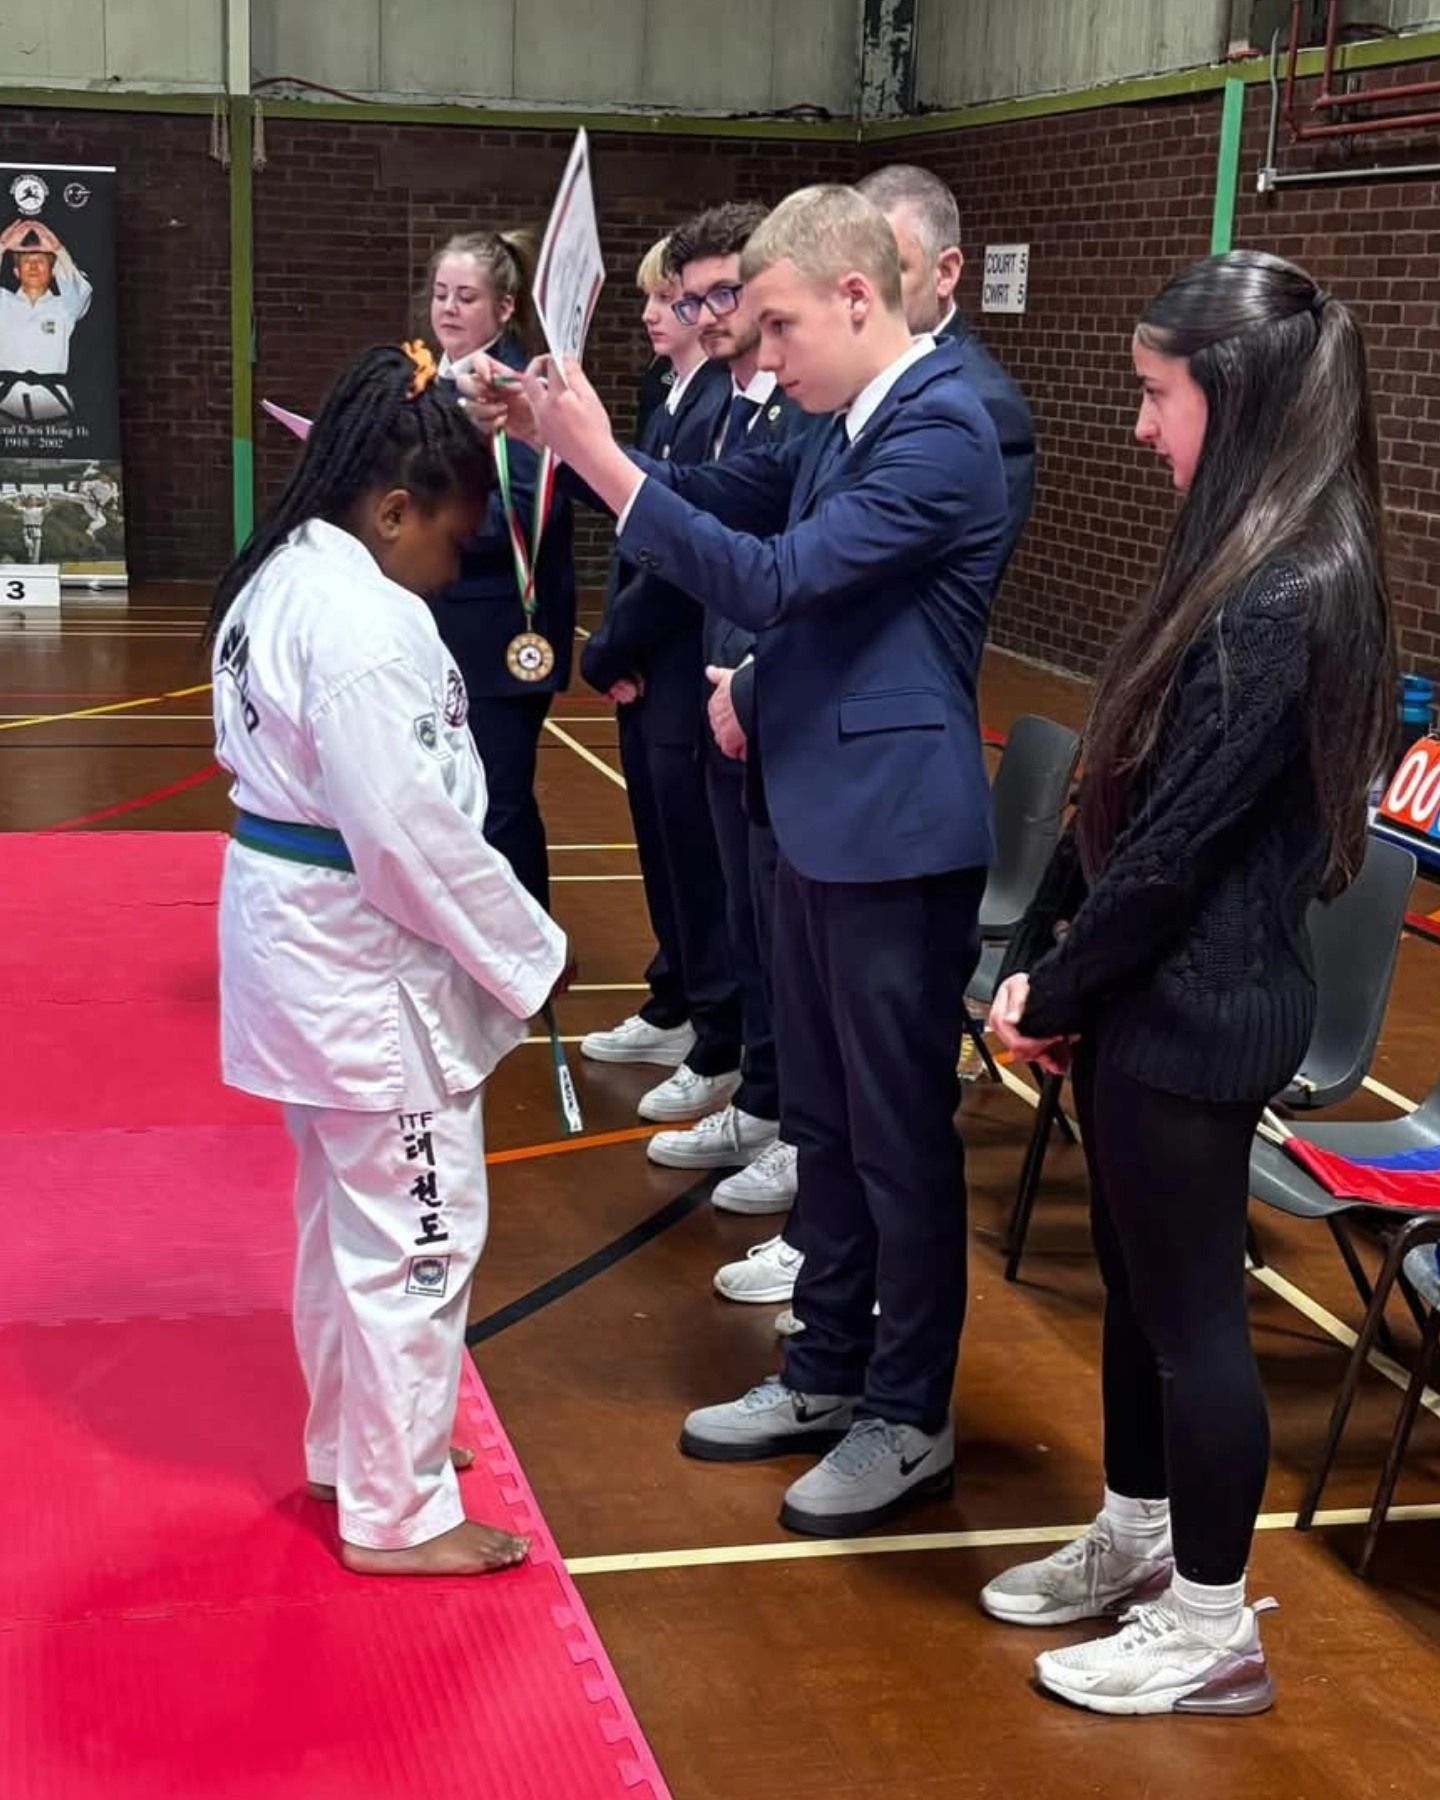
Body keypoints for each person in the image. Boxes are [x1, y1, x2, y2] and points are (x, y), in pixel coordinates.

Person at [477, 184, 1007, 1537]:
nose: (762, 358)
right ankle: (828, 1368)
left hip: (893, 829)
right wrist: (559, 432)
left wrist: (603, 460)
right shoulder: (844, 417)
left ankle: (908, 1413)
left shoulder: (946, 426)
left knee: (897, 1142)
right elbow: (719, 494)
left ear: (854, 294)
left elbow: (775, 579)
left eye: (776, 325)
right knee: (823, 1121)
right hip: (813, 803)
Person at [983, 250, 1395, 1715]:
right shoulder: (1232, 554)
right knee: (1145, 1301)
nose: (1142, 428)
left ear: (1234, 394)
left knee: (1195, 1318)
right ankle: (1140, 1537)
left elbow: (1172, 853)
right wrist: (1046, 966)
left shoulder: (1297, 590)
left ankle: (1214, 1623)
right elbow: (1119, 795)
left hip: (1199, 1004)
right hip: (1141, 998)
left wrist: (1059, 987)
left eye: (1158, 397)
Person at [205, 341, 569, 1577]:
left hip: (304, 941)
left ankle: (352, 1447)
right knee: (419, 1234)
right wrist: (533, 953)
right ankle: (400, 1509)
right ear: (393, 505)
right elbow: (409, 838)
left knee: (341, 1223)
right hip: (360, 962)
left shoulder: (287, 575)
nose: (456, 564)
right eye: (454, 541)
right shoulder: (365, 624)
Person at [639, 202, 817, 1220]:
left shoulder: (841, 420)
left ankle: (791, 1123)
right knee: (747, 927)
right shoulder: (749, 410)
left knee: (784, 949)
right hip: (723, 689)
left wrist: (750, 678)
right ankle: (759, 1096)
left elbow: (783, 571)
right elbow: (694, 503)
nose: (708, 315)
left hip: (774, 712)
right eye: (691, 296)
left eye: (726, 296)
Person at [576, 237, 744, 1126]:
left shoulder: (724, 398)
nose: (656, 314)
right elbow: (633, 511)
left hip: (681, 653)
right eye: (670, 299)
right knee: (660, 834)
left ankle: (717, 1031)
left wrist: (615, 642)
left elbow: (683, 544)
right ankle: (678, 992)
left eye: (671, 298)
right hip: (652, 653)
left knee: (695, 848)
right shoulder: (668, 393)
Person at [427, 230, 577, 909]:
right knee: (444, 795)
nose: (449, 309)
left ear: (505, 307)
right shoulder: (426, 379)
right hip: (434, 625)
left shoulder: (522, 389)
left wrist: (422, 521)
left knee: (500, 802)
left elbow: (521, 510)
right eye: (439, 295)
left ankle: (528, 951)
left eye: (466, 297)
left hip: (501, 627)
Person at [856, 164, 1034, 583]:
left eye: (890, 271)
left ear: (946, 273)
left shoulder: (984, 405)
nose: (864, 298)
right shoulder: (843, 375)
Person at [0, 219, 92, 422]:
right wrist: (2, 246)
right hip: (5, 403)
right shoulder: (3, 302)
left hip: (53, 405)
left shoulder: (65, 307)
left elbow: (81, 290)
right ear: (16, 272)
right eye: (26, 261)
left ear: (52, 273)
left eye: (41, 261)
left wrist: (58, 250)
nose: (33, 266)